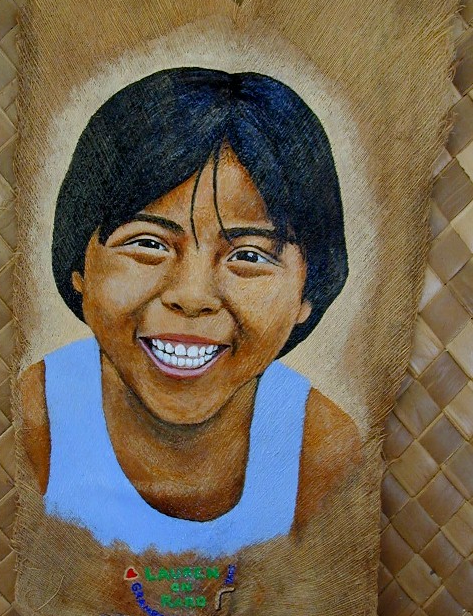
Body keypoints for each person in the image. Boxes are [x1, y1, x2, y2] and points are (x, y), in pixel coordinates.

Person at [18, 67, 361, 557]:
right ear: (80, 268)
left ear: (308, 291)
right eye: (147, 243)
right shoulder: (33, 423)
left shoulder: (322, 453)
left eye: (249, 255)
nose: (193, 295)